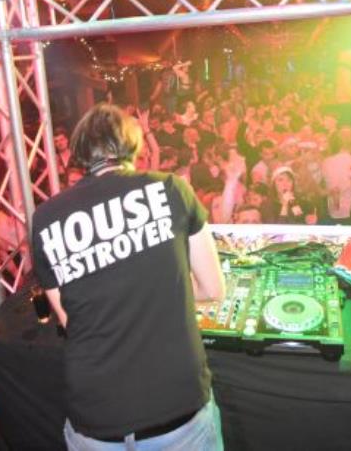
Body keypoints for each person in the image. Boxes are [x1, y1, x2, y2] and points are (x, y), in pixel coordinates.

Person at [31, 104, 225, 449]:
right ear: (133, 145)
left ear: (80, 152)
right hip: (175, 408)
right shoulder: (171, 189)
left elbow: (69, 319)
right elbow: (212, 288)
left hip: (96, 417)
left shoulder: (46, 218)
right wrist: (164, 286)